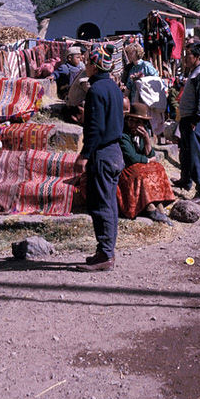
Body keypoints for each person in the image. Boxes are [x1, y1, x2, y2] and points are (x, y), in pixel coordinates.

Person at [77, 43, 124, 272]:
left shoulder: (96, 90)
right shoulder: (113, 88)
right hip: (115, 151)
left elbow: (94, 128)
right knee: (109, 204)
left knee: (102, 205)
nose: (85, 66)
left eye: (87, 62)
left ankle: (106, 254)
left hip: (103, 154)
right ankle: (104, 250)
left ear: (95, 66)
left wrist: (85, 155)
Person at [118, 100, 174, 223]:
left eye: (138, 122)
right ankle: (149, 208)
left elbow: (151, 153)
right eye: (131, 121)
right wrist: (148, 160)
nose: (134, 125)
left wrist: (146, 139)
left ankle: (158, 205)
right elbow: (131, 158)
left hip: (139, 165)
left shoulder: (142, 135)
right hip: (125, 169)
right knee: (141, 174)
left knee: (158, 168)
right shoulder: (123, 135)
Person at [172, 42, 200, 204]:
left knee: (197, 155)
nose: (184, 58)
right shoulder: (195, 72)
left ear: (196, 57)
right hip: (189, 118)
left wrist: (195, 120)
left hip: (195, 120)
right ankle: (186, 181)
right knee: (187, 153)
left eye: (187, 55)